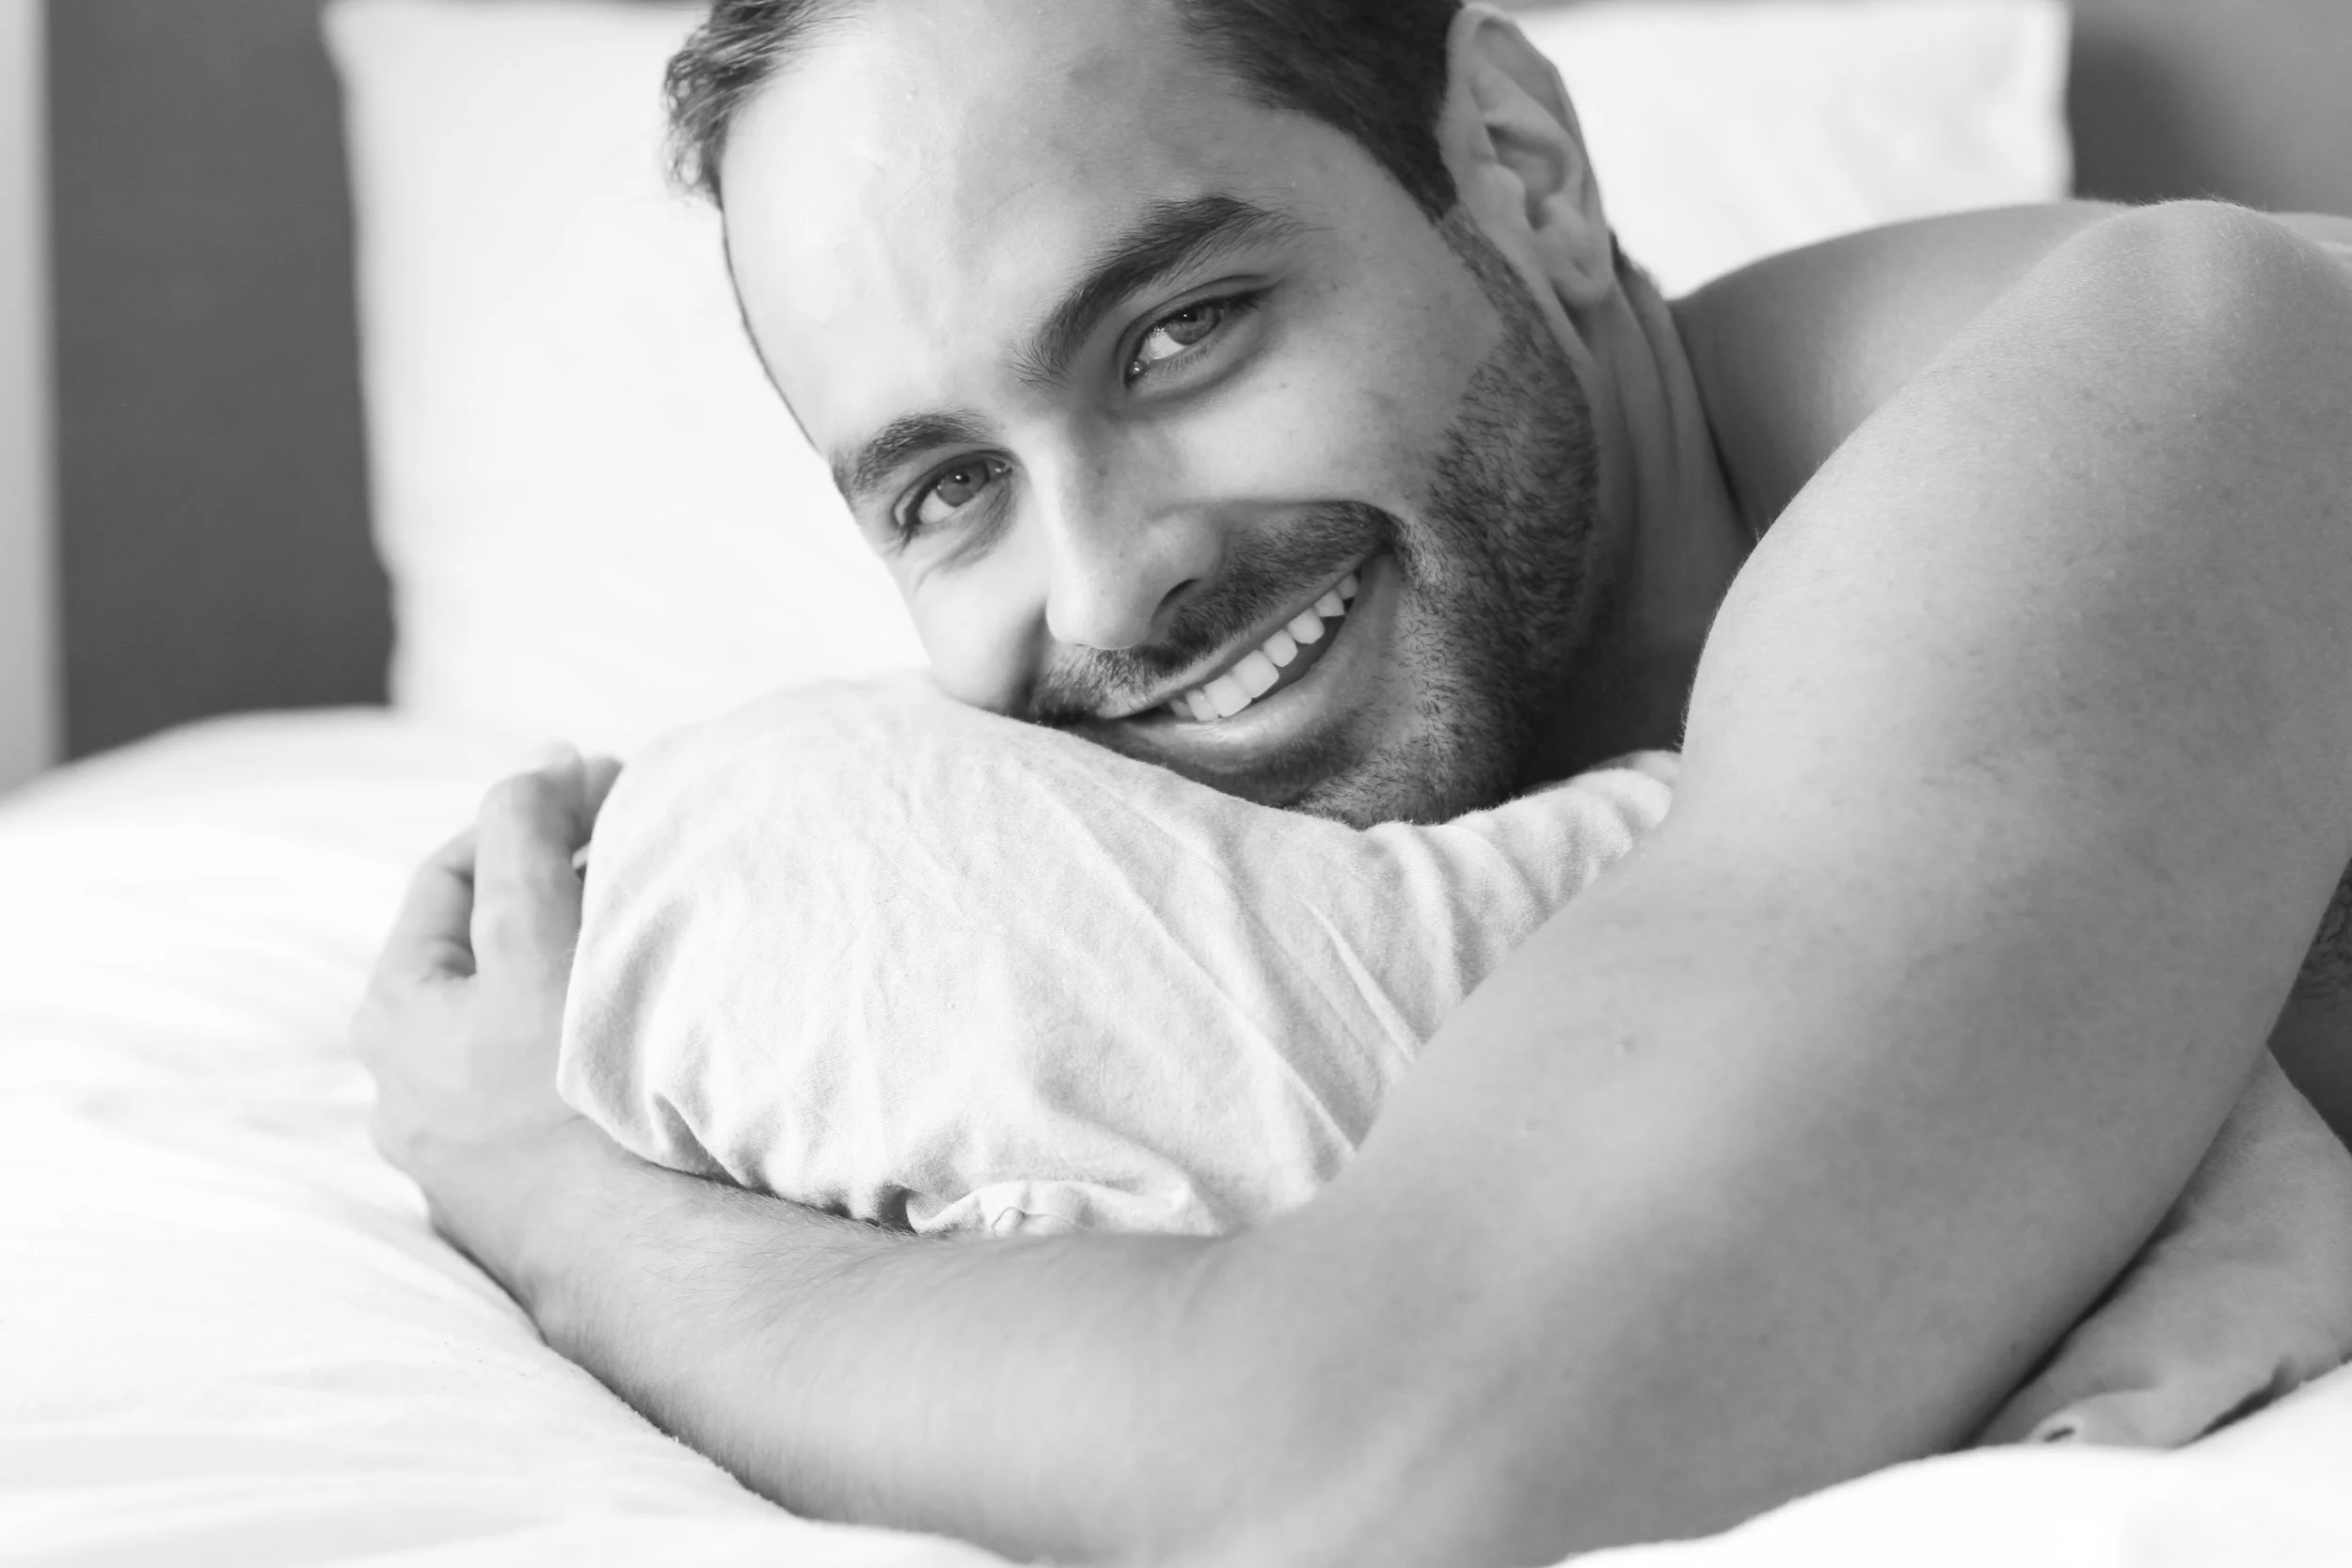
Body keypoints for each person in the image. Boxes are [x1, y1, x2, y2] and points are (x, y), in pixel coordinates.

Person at [351, 1, 2352, 1561]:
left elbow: (1393, 1469)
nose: (1114, 578)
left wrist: (560, 1199)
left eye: (1178, 331)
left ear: (1519, 164)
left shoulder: (2147, 376)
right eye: (948, 488)